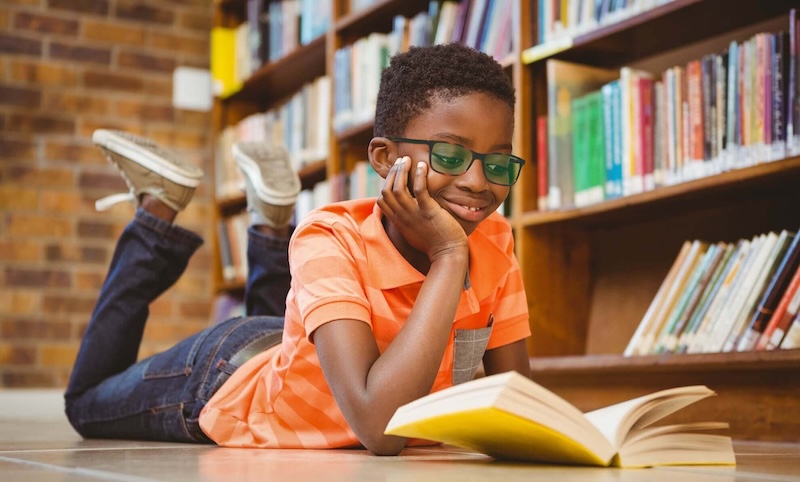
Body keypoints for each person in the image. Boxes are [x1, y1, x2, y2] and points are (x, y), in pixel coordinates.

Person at [65, 43, 531, 456]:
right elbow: (381, 429)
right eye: (449, 156)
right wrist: (449, 257)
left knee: (300, 346)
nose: (476, 182)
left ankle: (269, 225)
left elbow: (519, 405)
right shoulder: (329, 237)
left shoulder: (495, 240)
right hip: (224, 377)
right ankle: (157, 212)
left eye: (497, 162)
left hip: (308, 347)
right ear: (385, 158)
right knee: (85, 402)